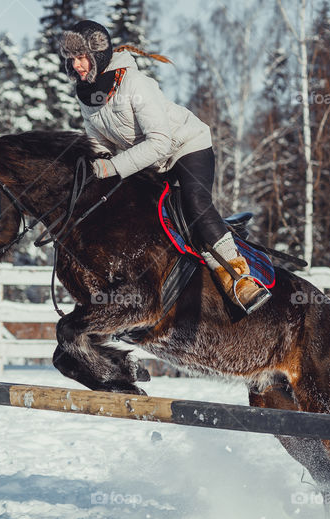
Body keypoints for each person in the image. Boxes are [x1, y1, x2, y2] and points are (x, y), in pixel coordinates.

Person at [57, 19, 269, 313]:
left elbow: (159, 142)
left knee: (195, 203)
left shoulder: (134, 83)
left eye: (82, 57)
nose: (77, 65)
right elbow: (100, 143)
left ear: (98, 56)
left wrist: (114, 167)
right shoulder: (86, 96)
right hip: (150, 162)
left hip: (185, 145)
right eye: (71, 59)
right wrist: (93, 165)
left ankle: (240, 278)